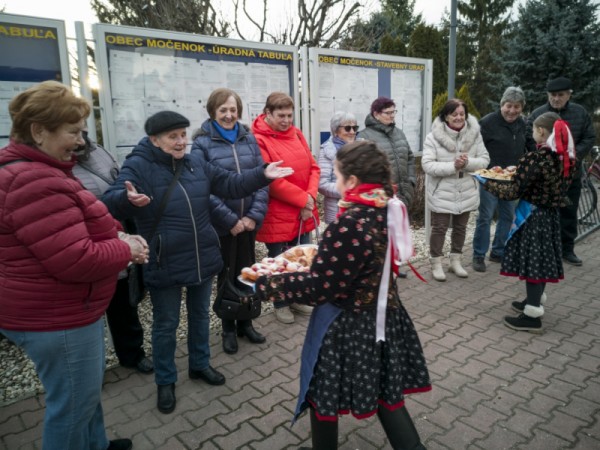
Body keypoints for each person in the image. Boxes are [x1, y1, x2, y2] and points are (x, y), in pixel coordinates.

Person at [102, 110, 293, 415]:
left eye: (183, 135)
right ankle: (165, 381)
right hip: (165, 259)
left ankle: (199, 365)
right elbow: (110, 198)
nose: (181, 142)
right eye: (173, 136)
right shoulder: (138, 166)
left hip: (203, 254)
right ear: (154, 139)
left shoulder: (194, 163)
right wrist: (127, 201)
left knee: (201, 316)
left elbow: (230, 183)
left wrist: (262, 174)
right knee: (166, 325)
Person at [255, 141, 431, 450]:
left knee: (323, 391)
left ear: (351, 181)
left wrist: (270, 283)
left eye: (336, 175)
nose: (334, 181)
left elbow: (321, 287)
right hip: (383, 316)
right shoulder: (386, 206)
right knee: (385, 391)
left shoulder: (350, 222)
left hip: (347, 325)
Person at [0, 81, 147, 450]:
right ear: (38, 131)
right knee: (71, 409)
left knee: (84, 397)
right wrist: (125, 250)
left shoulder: (38, 169)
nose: (81, 142)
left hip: (57, 309)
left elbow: (77, 220)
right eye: (73, 132)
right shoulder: (33, 180)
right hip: (57, 317)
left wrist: (115, 233)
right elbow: (75, 259)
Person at [476, 112, 575, 332]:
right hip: (549, 217)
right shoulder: (564, 158)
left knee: (534, 263)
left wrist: (486, 182)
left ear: (541, 131)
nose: (531, 133)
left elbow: (513, 191)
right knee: (541, 260)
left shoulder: (536, 158)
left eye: (533, 130)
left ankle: (532, 315)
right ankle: (534, 300)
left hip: (533, 217)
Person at [191, 88, 267, 355]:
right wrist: (230, 220)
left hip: (248, 224)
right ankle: (228, 327)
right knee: (227, 275)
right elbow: (203, 188)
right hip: (222, 226)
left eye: (233, 109)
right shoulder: (202, 143)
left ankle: (246, 322)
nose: (229, 115)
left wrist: (252, 217)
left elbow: (262, 179)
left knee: (248, 272)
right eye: (223, 109)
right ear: (213, 111)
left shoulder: (248, 138)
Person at [73, 131, 153, 374]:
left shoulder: (98, 150)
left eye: (79, 129)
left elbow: (116, 180)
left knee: (123, 302)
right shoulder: (48, 164)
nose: (78, 136)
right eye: (71, 129)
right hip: (81, 244)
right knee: (85, 313)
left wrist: (126, 198)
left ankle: (131, 353)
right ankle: (88, 370)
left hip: (115, 236)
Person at [251, 92, 320, 324]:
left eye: (290, 115)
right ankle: (280, 302)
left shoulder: (297, 133)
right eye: (281, 115)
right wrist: (304, 200)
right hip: (279, 214)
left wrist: (308, 198)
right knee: (279, 261)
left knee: (301, 259)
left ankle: (298, 298)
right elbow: (271, 180)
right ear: (267, 113)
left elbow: (313, 167)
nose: (286, 121)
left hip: (304, 209)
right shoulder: (259, 139)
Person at [527, 77, 596, 267]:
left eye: (560, 95)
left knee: (569, 212)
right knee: (544, 214)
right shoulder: (538, 114)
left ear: (568, 95)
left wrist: (573, 154)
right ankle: (546, 249)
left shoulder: (579, 113)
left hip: (570, 174)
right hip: (545, 178)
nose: (556, 99)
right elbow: (529, 138)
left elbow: (589, 137)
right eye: (552, 95)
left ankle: (567, 249)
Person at [421, 98, 490, 282]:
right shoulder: (433, 137)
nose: (459, 117)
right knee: (440, 228)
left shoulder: (475, 135)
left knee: (460, 228)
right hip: (441, 191)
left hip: (467, 189)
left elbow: (484, 160)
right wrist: (454, 166)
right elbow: (427, 165)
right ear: (446, 116)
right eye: (454, 114)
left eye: (462, 114)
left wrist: (467, 163)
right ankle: (436, 263)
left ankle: (455, 261)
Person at [472, 87, 529, 272]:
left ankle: (498, 251)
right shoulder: (488, 122)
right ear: (502, 104)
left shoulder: (523, 123)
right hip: (490, 178)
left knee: (507, 216)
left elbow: (530, 145)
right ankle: (478, 255)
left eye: (517, 107)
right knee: (486, 216)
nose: (512, 111)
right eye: (508, 106)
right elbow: (474, 147)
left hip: (512, 179)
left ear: (522, 108)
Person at [359, 96, 415, 206]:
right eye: (388, 113)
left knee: (404, 222)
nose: (392, 115)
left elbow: (410, 158)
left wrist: (411, 181)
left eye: (394, 112)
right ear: (376, 114)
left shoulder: (399, 133)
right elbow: (364, 169)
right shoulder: (364, 136)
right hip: (381, 197)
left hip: (405, 195)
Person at [318, 111, 359, 224]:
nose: (352, 132)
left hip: (361, 208)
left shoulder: (361, 147)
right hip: (337, 209)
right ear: (336, 131)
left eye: (354, 128)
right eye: (347, 128)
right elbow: (322, 184)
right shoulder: (327, 151)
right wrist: (349, 190)